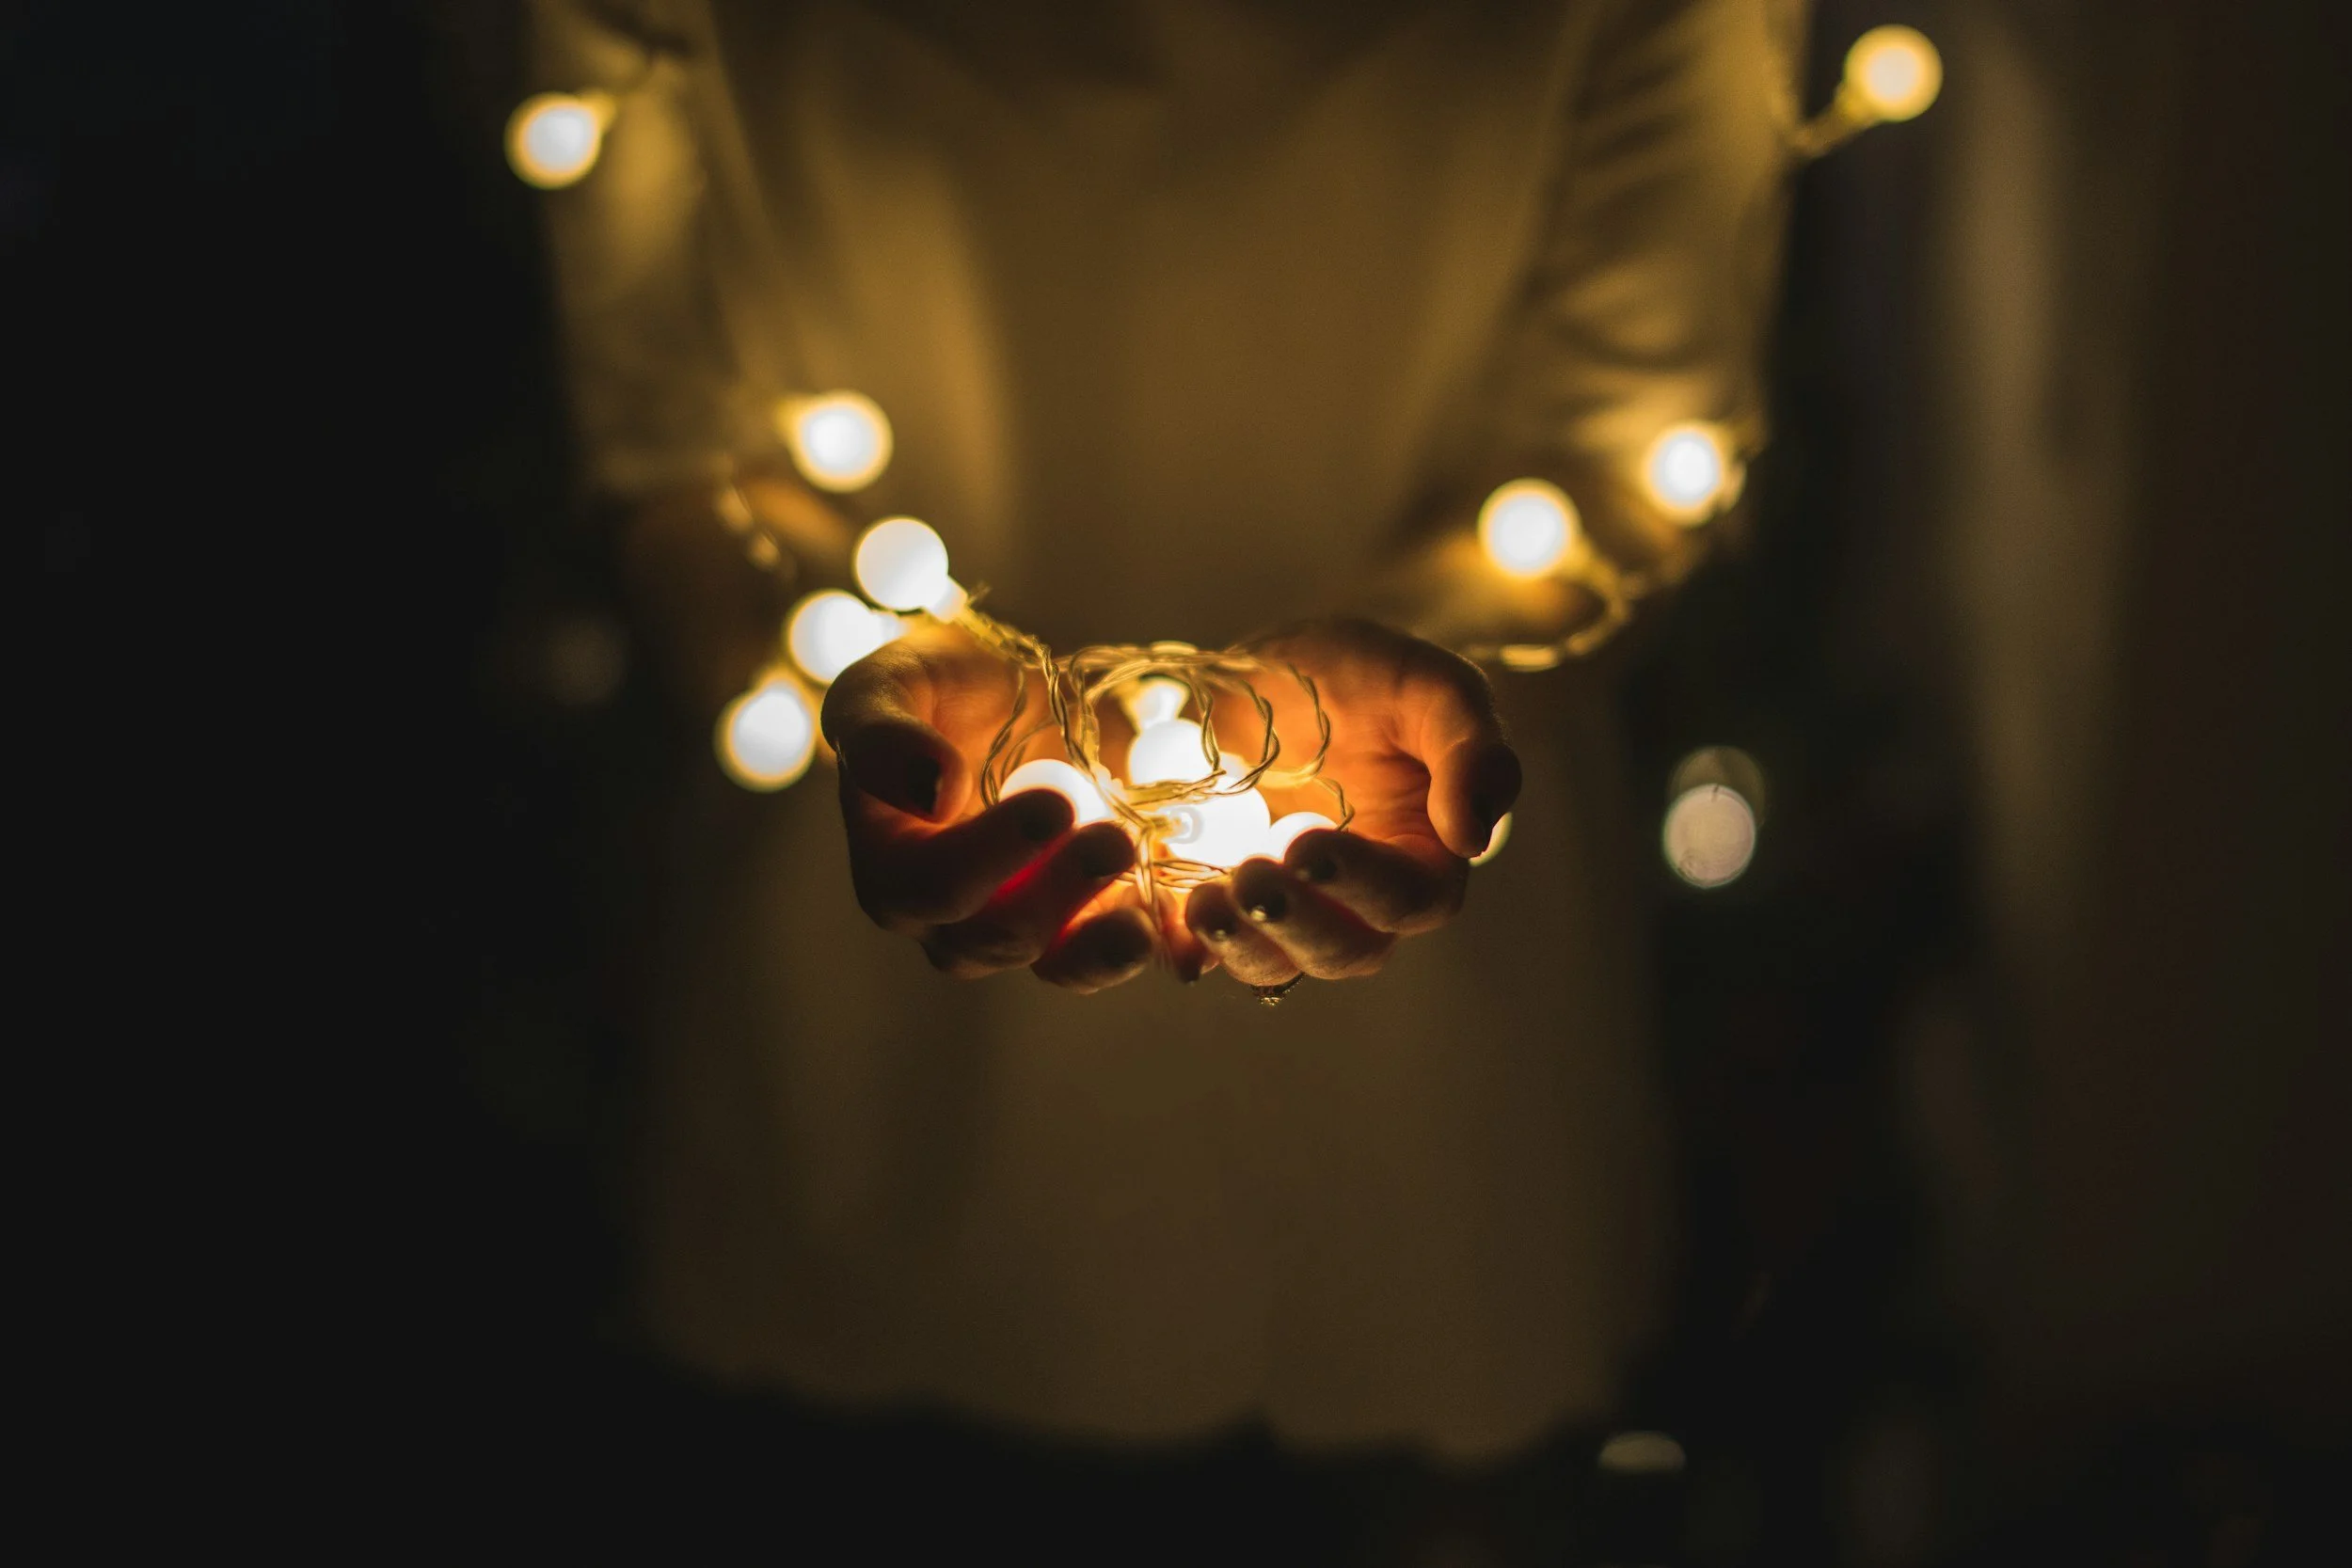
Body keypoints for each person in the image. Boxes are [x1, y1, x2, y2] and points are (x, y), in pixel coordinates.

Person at [519, 0, 1797, 1541]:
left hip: (1407, 1139)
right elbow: (670, 451)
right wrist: (845, 662)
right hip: (867, 1099)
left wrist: (1436, 669)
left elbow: (1633, 444)